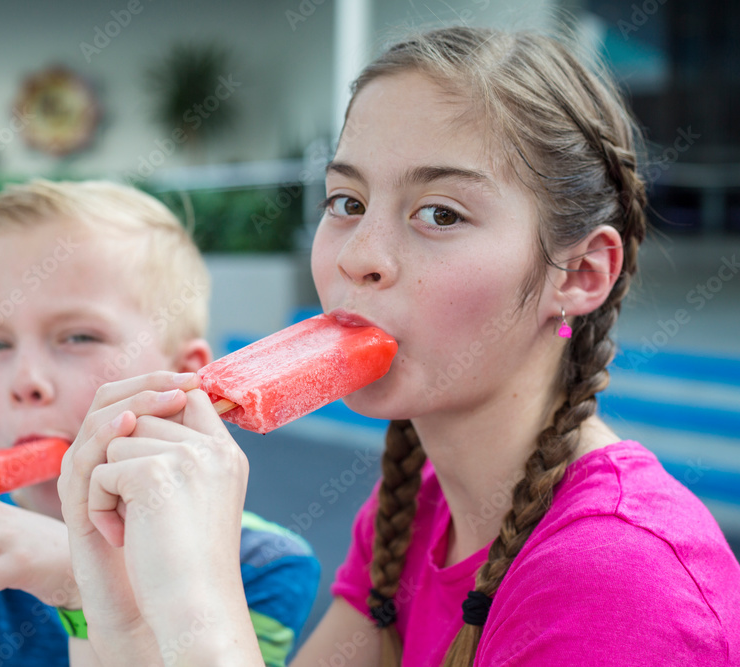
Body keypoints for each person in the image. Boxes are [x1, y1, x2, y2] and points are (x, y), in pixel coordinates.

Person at [58, 26, 740, 666]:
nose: (359, 256)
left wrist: (199, 600)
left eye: (439, 213)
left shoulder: (623, 582)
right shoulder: (416, 512)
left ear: (583, 272)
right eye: (346, 201)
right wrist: (118, 598)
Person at [0, 180, 320, 666]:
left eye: (77, 337)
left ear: (183, 380)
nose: (26, 380)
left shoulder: (260, 566)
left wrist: (82, 589)